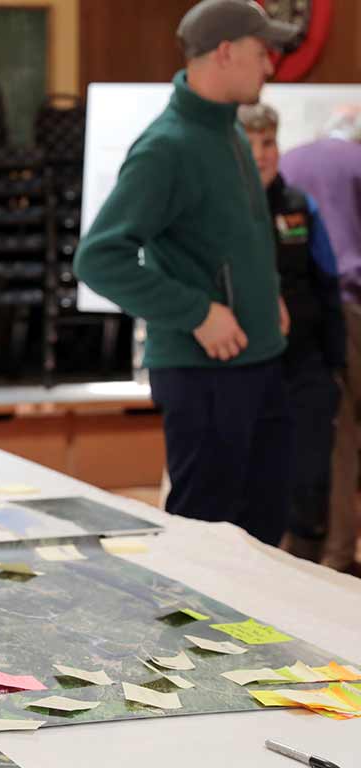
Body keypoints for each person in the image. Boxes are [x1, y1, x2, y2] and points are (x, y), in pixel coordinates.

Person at [74, 0, 297, 545]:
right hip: (207, 375)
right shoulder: (166, 147)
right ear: (225, 52)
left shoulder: (230, 131)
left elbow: (230, 235)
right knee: (206, 546)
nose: (270, 66)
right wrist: (198, 312)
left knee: (262, 535)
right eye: (260, 51)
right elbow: (98, 258)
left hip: (259, 366)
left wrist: (269, 294)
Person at [239, 102, 345, 562]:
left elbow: (327, 285)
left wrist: (335, 365)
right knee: (250, 481)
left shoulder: (301, 206)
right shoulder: (224, 209)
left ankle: (305, 571)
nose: (262, 154)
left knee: (310, 481)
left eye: (269, 142)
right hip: (244, 369)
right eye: (251, 143)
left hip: (305, 368)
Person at [280, 111, 361, 574]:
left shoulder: (290, 161)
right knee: (343, 433)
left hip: (304, 310)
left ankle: (316, 551)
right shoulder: (357, 161)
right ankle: (340, 555)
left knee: (328, 432)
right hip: (351, 305)